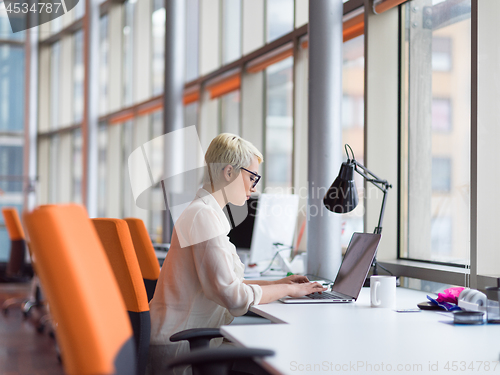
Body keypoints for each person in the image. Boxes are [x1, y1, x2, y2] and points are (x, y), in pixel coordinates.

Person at [146, 134, 325, 375]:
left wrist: (278, 283)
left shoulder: (205, 212)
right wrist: (290, 290)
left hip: (182, 337)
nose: (255, 186)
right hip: (181, 346)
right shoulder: (203, 216)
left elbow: (226, 283)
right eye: (252, 177)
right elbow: (233, 296)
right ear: (229, 172)